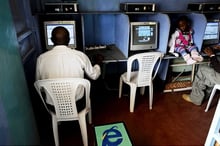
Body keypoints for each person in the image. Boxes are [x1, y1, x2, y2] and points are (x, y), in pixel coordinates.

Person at [36, 26, 102, 105]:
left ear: (51, 40)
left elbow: (40, 86)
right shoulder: (80, 56)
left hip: (53, 106)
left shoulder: (41, 58)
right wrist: (98, 63)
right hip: (77, 104)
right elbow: (94, 76)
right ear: (69, 39)